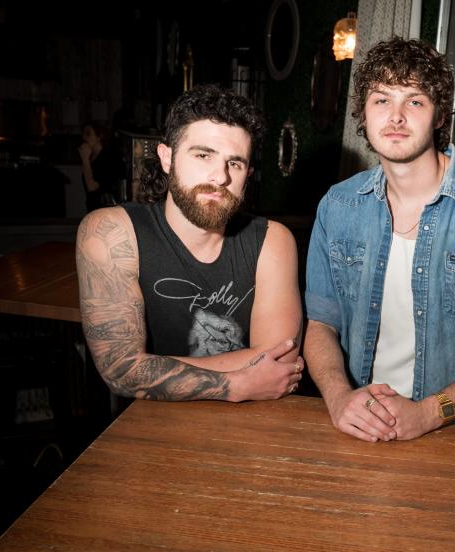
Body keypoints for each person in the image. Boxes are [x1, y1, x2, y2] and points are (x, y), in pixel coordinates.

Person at [304, 37, 455, 442]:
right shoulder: (338, 206)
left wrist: (431, 413)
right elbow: (321, 324)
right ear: (362, 111)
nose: (395, 117)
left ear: (439, 116)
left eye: (414, 101)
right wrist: (340, 398)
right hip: (358, 423)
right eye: (381, 100)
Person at [76, 85, 304, 402]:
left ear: (247, 174)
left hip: (253, 426)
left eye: (234, 163)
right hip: (149, 428)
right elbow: (120, 368)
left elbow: (281, 362)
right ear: (167, 158)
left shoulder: (271, 240)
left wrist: (152, 368)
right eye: (203, 155)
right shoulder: (111, 231)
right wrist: (237, 385)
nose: (219, 176)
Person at [79, 120, 126, 212]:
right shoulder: (92, 158)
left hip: (104, 211)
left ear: (99, 136)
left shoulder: (108, 158)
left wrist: (85, 160)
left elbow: (92, 187)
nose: (84, 137)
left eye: (88, 134)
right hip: (93, 209)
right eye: (83, 134)